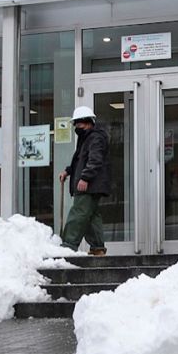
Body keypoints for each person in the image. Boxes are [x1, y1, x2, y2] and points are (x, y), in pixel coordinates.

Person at [59, 105, 110, 256]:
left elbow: (95, 160)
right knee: (91, 216)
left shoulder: (95, 138)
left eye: (77, 123)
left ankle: (68, 245)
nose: (76, 126)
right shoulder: (87, 138)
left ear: (87, 122)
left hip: (90, 185)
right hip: (92, 184)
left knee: (79, 213)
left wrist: (85, 178)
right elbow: (80, 161)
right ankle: (97, 248)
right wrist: (68, 171)